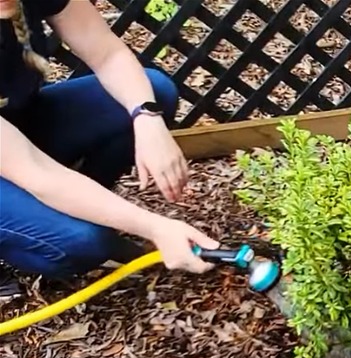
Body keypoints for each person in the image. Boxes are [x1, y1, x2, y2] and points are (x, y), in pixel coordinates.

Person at [0, 0, 220, 298]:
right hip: (16, 155)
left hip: (19, 128)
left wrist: (147, 118)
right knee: (84, 242)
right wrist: (156, 228)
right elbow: (37, 173)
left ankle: (76, 207)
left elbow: (107, 53)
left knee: (154, 92)